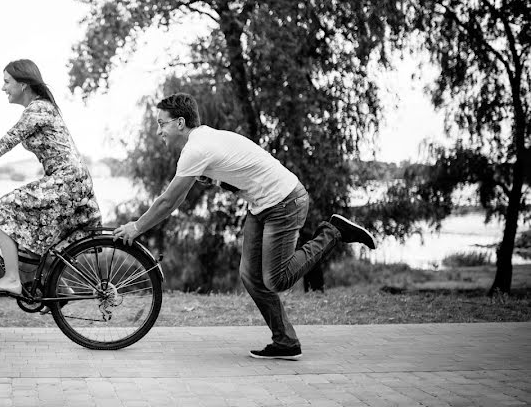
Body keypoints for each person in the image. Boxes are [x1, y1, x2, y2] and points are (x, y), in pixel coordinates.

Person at [112, 93, 375, 360]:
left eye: (162, 124)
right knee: (251, 276)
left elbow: (169, 200)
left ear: (180, 123)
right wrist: (214, 180)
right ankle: (285, 341)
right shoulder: (204, 139)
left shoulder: (195, 148)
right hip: (263, 205)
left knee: (276, 279)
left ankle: (334, 232)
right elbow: (222, 176)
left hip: (285, 202)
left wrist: (136, 227)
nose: (159, 132)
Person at [0, 59, 102, 295]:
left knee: (5, 209)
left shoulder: (39, 109)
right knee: (30, 243)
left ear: (23, 85)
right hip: (67, 181)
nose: (3, 88)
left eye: (6, 82)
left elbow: (5, 143)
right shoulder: (38, 108)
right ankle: (59, 289)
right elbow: (2, 143)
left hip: (67, 181)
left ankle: (11, 279)